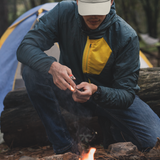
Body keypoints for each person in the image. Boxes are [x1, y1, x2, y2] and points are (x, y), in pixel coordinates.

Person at [17, 0, 160, 154]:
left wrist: (96, 91)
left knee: (155, 141)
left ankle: (112, 127)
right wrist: (52, 66)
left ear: (111, 1)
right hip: (70, 91)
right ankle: (64, 147)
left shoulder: (125, 35)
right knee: (31, 70)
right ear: (78, 1)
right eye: (88, 9)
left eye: (99, 9)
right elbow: (25, 47)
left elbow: (126, 94)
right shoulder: (64, 13)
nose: (93, 15)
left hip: (109, 97)